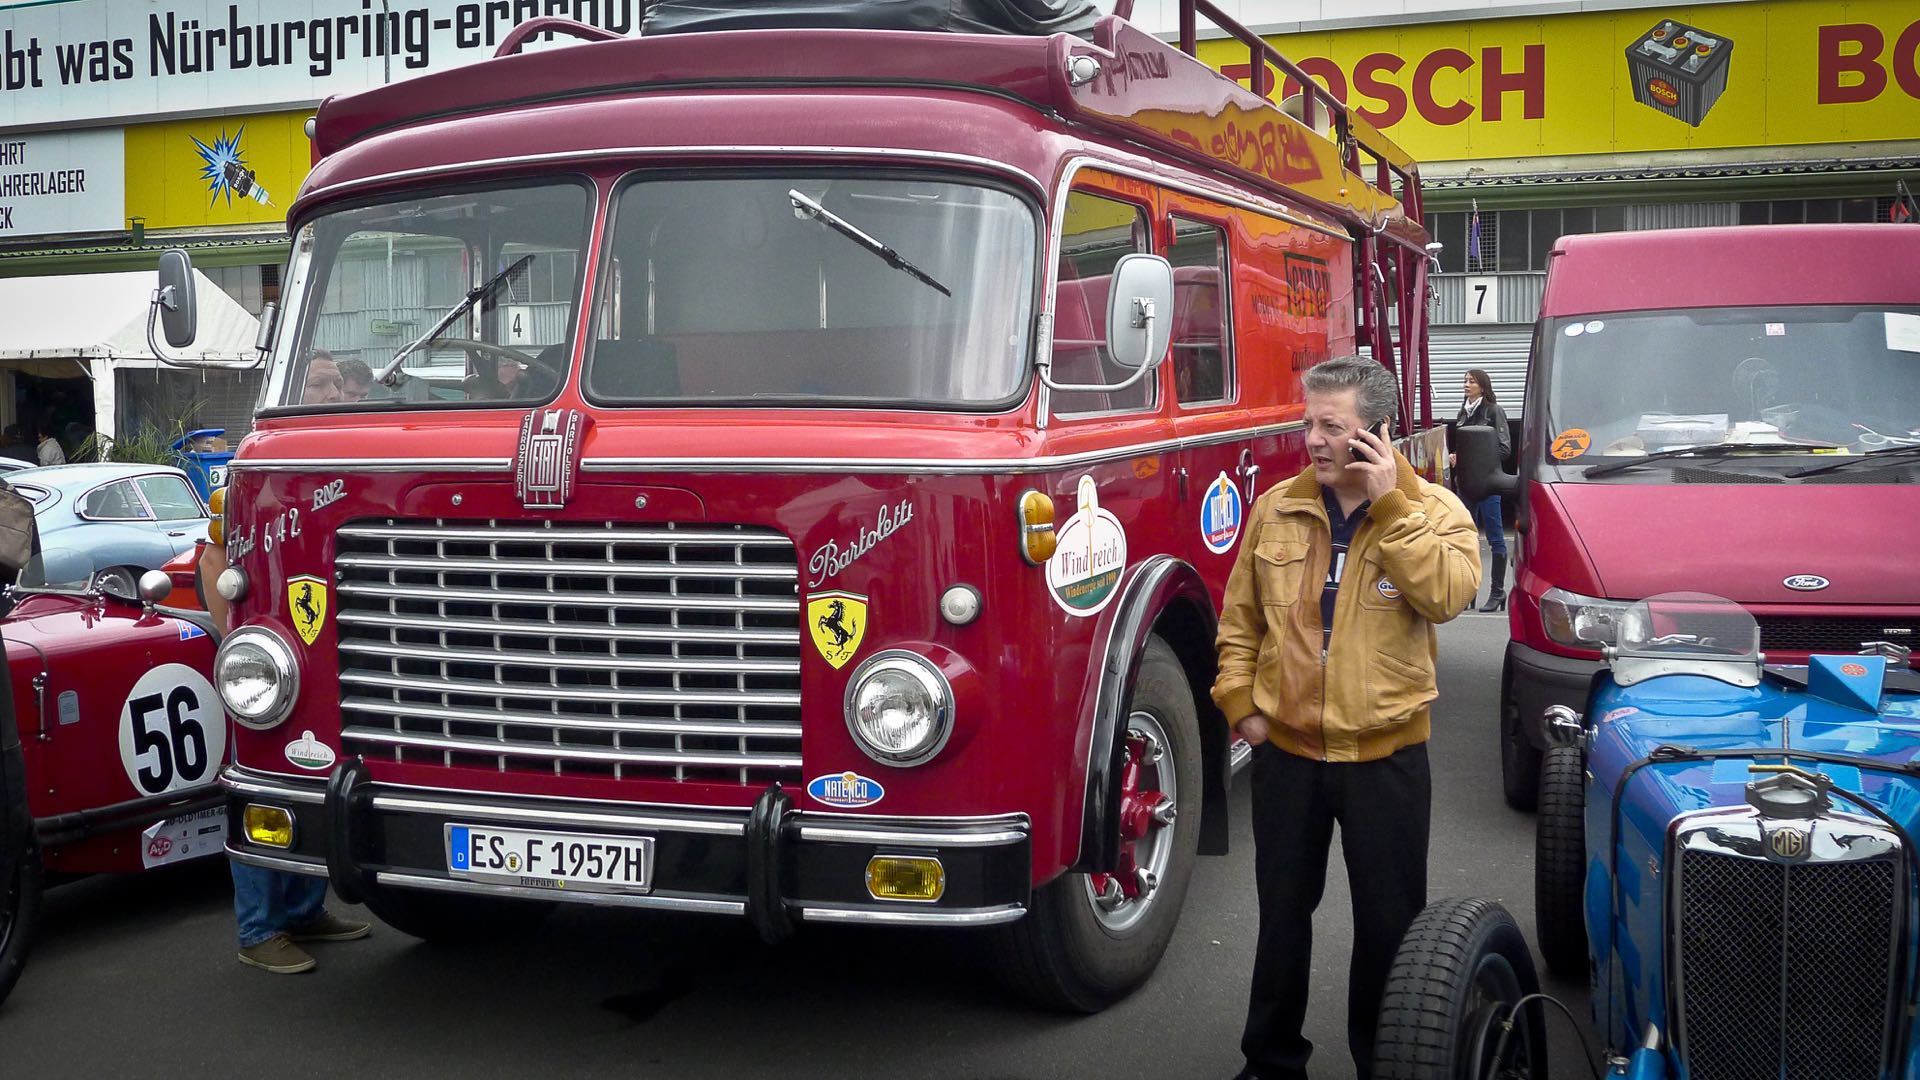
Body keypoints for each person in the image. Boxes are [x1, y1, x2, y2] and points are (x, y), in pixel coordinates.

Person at [1215, 355, 1479, 1080]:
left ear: (1378, 433)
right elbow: (1240, 622)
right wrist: (1243, 709)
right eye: (1309, 424)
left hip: (1386, 759)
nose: (1314, 440)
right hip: (1288, 756)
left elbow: (1449, 596)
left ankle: (1384, 1064)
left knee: (1390, 929)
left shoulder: (1433, 512)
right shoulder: (1278, 507)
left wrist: (1391, 509)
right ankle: (1271, 1063)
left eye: (1332, 426)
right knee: (1281, 920)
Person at [197, 540, 371, 973]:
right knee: (262, 786)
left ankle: (302, 912)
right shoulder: (247, 505)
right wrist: (237, 645)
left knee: (312, 779)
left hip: (306, 655)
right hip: (267, 667)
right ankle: (258, 931)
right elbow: (212, 559)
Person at [1456, 369, 1511, 611]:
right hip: (1467, 483)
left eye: (1472, 381)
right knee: (1465, 537)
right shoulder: (1462, 412)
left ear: (1483, 386)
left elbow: (1504, 449)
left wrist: (1477, 459)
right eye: (1465, 381)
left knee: (1495, 538)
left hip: (1488, 482)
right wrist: (1458, 456)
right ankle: (1468, 590)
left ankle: (1498, 592)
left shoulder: (1493, 411)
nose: (1466, 385)